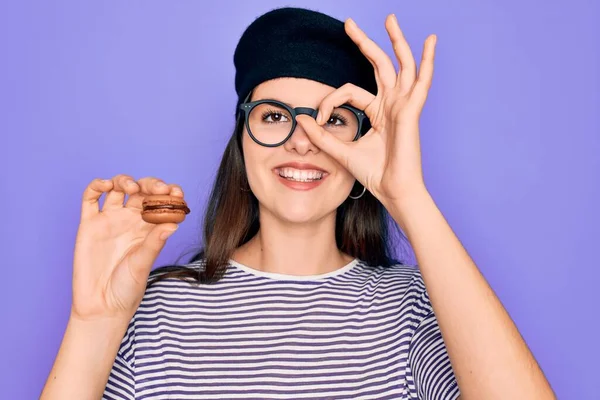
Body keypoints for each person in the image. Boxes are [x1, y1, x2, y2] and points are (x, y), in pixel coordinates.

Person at [41, 6, 555, 400]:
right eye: (273, 116)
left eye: (331, 120)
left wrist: (407, 196)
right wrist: (94, 322)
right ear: (241, 139)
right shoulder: (154, 307)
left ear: (361, 144)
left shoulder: (419, 305)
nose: (303, 142)